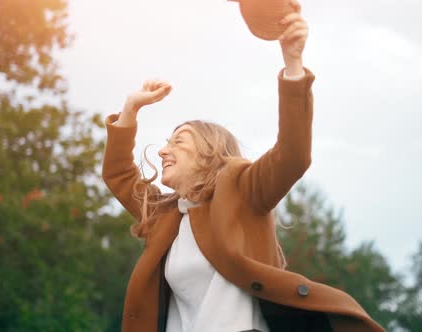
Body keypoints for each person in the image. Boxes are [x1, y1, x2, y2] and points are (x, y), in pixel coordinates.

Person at [102, 1, 385, 331]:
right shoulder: (165, 216)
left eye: (179, 141)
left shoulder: (243, 191)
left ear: (209, 153)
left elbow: (293, 156)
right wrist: (130, 109)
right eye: (167, 141)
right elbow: (119, 175)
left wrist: (293, 65)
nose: (164, 150)